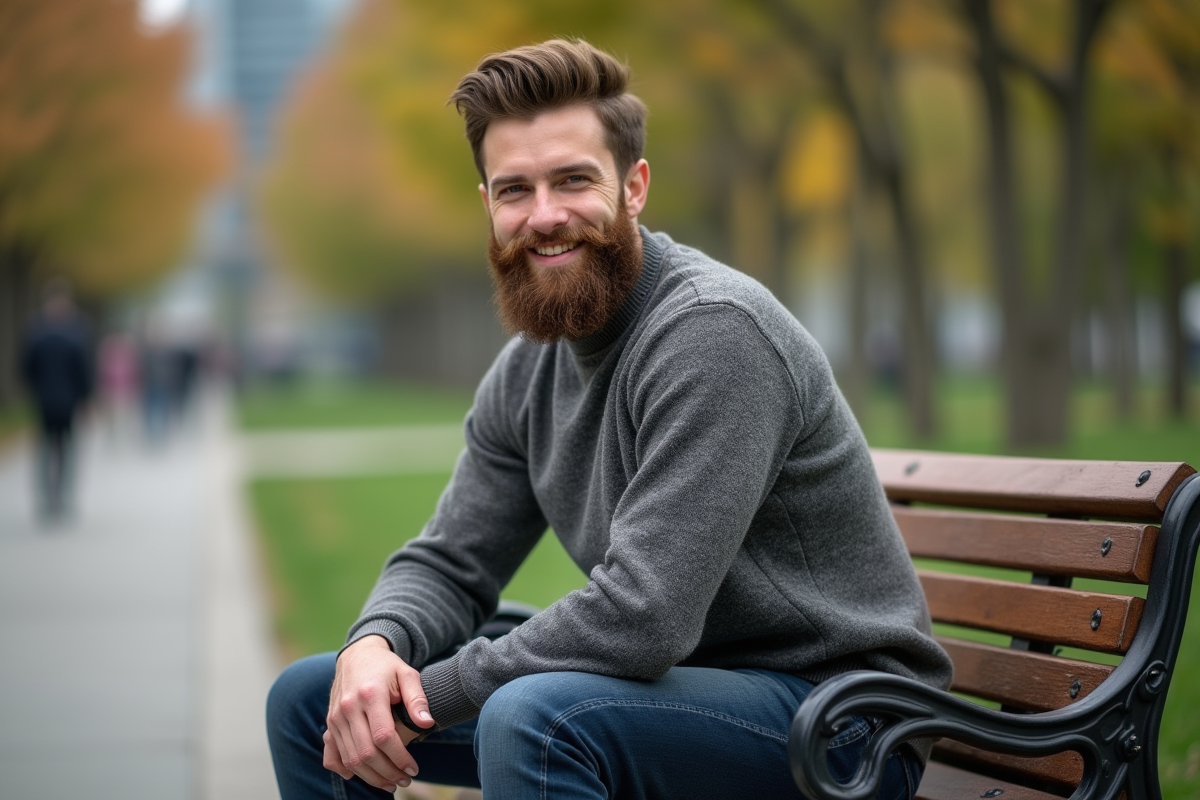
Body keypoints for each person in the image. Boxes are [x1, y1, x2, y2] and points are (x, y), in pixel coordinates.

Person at [267, 38, 952, 800]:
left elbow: (641, 617)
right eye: (514, 190)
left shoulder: (714, 334)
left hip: (845, 721)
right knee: (313, 699)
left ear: (634, 187)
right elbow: (449, 561)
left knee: (535, 718)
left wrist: (439, 691)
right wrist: (374, 644)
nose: (545, 216)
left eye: (573, 180)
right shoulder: (532, 366)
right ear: (487, 208)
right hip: (688, 689)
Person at [20, 283, 93, 520]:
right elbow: (83, 370)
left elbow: (27, 367)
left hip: (52, 399)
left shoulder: (37, 332)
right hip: (57, 400)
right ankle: (56, 497)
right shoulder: (74, 333)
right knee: (56, 449)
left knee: (55, 449)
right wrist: (85, 397)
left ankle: (54, 497)